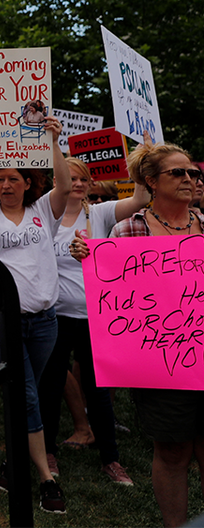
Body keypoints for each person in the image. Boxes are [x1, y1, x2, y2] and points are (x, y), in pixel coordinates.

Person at [72, 141, 204, 527]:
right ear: (150, 181)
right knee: (174, 451)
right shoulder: (129, 228)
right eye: (177, 172)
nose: (189, 179)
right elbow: (115, 291)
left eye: (193, 172)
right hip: (161, 364)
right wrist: (93, 258)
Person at [0, 111, 70, 514]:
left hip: (45, 322)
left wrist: (54, 140)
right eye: (0, 179)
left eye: (14, 179)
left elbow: (65, 183)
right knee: (25, 396)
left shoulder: (44, 211)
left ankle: (11, 460)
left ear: (27, 183)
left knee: (28, 397)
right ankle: (45, 477)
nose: (6, 185)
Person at [39, 155, 145, 486]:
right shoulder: (45, 214)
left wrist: (141, 159)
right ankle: (47, 451)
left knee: (99, 391)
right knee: (51, 386)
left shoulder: (96, 213)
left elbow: (142, 199)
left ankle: (111, 459)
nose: (79, 184)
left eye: (84, 178)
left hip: (93, 317)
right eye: (71, 178)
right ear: (58, 181)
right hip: (54, 315)